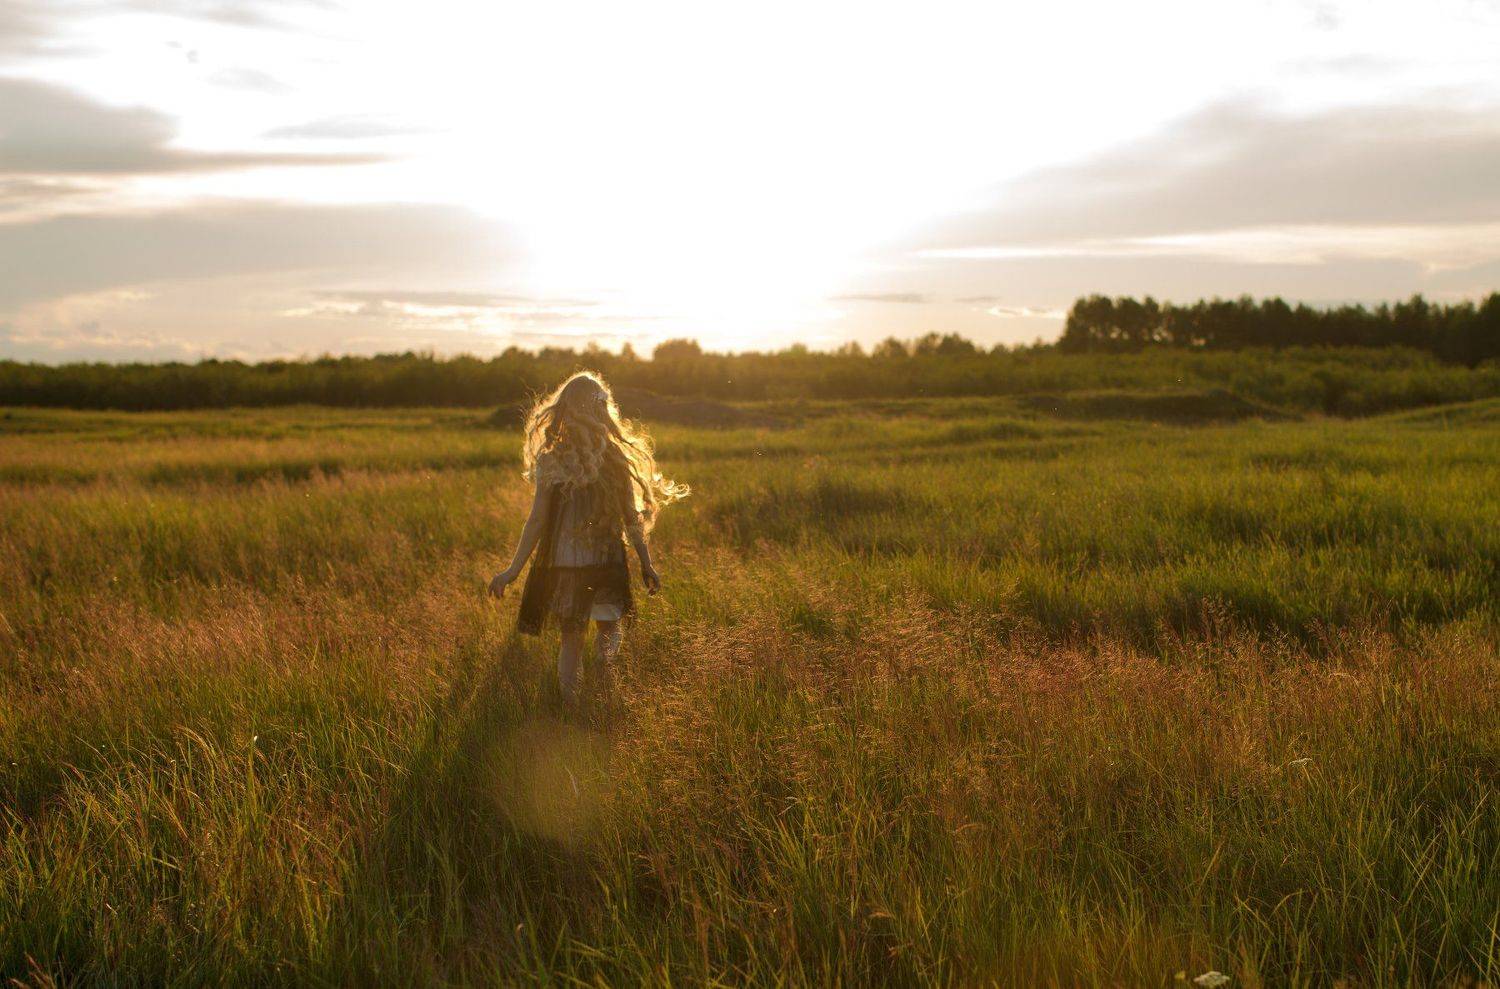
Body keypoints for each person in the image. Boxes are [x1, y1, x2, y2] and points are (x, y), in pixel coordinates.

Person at [488, 371, 688, 701]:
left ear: (565, 409)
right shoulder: (614, 458)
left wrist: (512, 570)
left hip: (566, 564)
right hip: (605, 562)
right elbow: (632, 519)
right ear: (601, 410)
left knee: (571, 639)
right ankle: (603, 693)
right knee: (608, 630)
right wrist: (646, 563)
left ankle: (572, 706)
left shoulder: (552, 458)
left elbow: (536, 521)